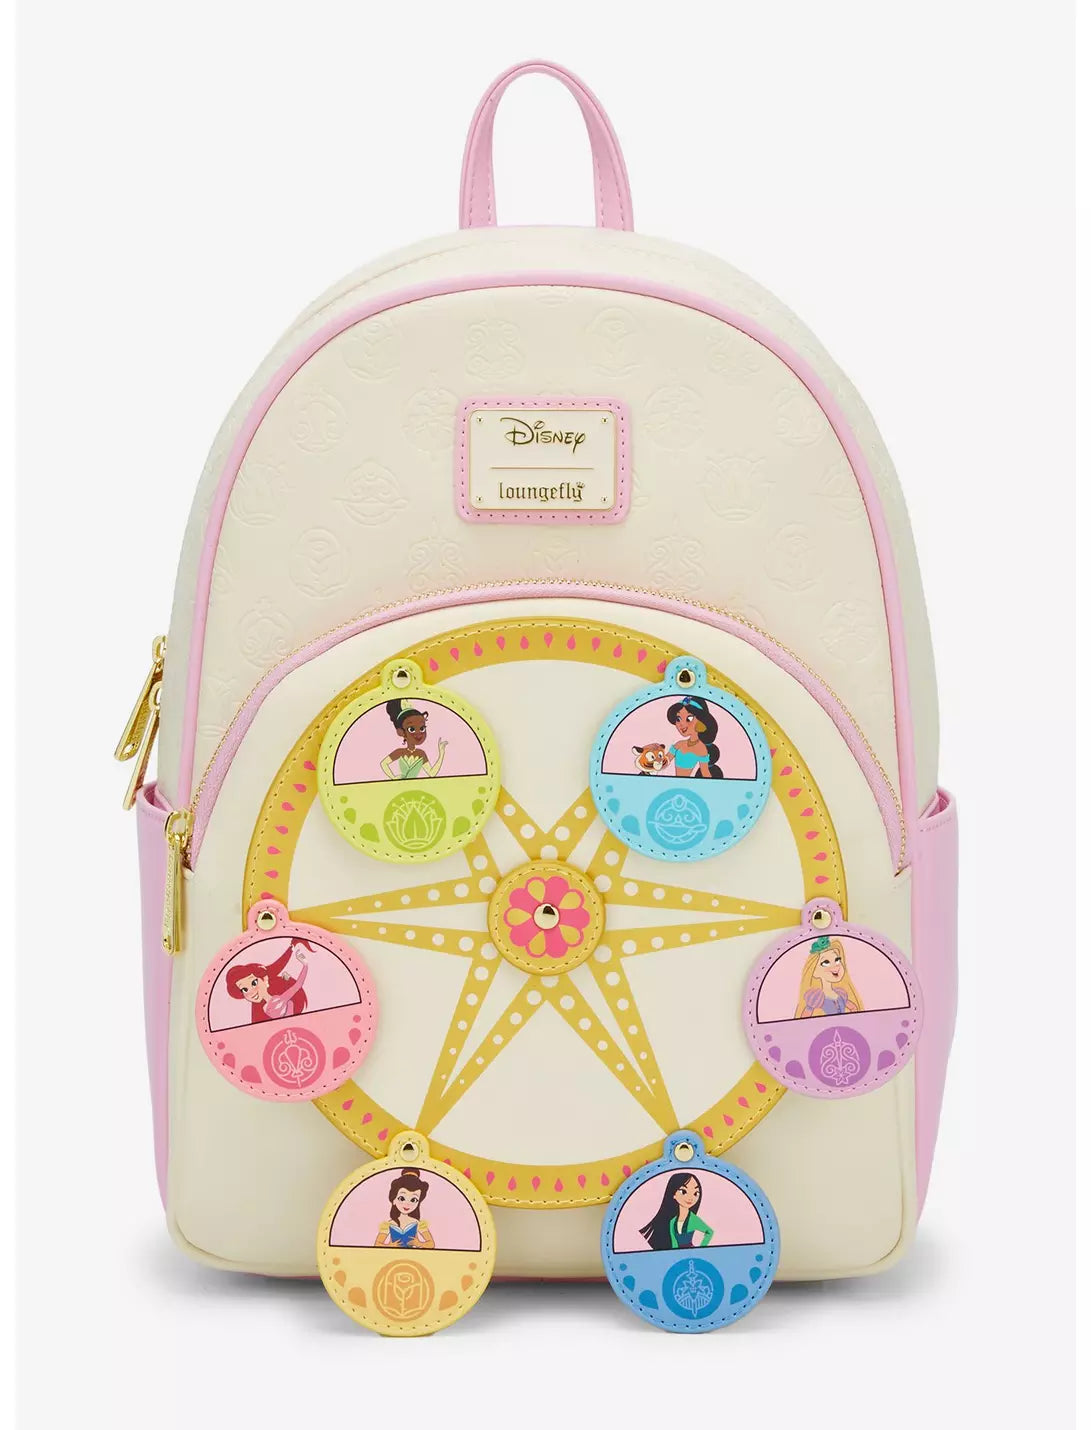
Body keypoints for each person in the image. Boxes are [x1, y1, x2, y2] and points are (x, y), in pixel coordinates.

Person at [226, 940, 311, 1023]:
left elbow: (297, 985)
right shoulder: (264, 1009)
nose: (252, 992)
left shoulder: (278, 1000)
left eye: (254, 983)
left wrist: (304, 965)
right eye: (244, 989)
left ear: (265, 979)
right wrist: (304, 965)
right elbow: (297, 986)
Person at [638, 1172, 715, 1251]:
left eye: (696, 1193)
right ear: (673, 1194)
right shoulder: (672, 1221)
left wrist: (701, 1248)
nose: (690, 1197)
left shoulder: (693, 1219)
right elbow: (674, 1243)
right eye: (683, 1192)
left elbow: (709, 1232)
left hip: (691, 1253)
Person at [794, 935, 863, 1017]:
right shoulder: (816, 997)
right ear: (814, 972)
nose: (835, 966)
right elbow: (804, 1019)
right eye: (826, 963)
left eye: (837, 960)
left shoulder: (840, 994)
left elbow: (854, 1008)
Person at [380, 700, 448, 779]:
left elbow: (432, 773)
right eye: (412, 729)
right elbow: (383, 763)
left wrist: (441, 754)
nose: (418, 733)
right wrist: (393, 777)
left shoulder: (421, 753)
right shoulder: (400, 752)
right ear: (401, 732)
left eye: (422, 728)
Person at [374, 1170, 435, 1249]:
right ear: (394, 1200)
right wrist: (390, 1246)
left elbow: (431, 1244)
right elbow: (377, 1244)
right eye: (402, 1198)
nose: (407, 1204)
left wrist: (419, 1243)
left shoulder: (418, 1223)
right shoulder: (389, 1224)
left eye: (413, 1200)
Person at [665, 697, 724, 778]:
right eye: (678, 719)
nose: (681, 724)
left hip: (690, 784)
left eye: (689, 718)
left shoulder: (702, 749)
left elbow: (705, 774)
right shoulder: (679, 744)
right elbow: (664, 762)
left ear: (701, 720)